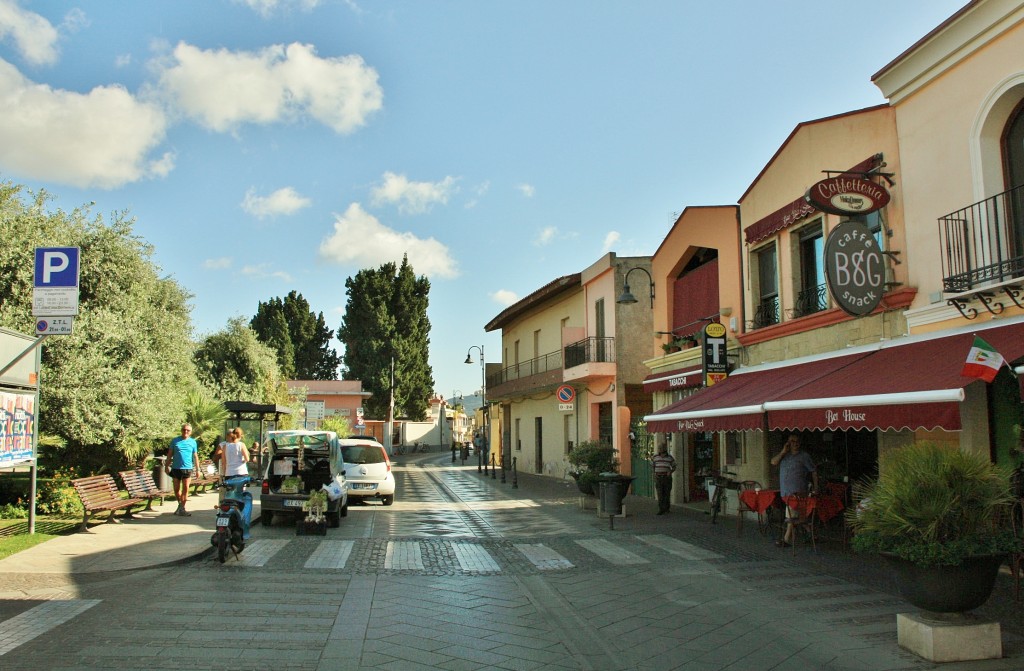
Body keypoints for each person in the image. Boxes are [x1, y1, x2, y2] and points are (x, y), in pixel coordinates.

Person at [770, 433, 819, 548]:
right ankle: (811, 534)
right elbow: (773, 462)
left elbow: (813, 471)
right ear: (788, 443)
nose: (795, 443)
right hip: (785, 492)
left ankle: (786, 540)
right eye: (792, 441)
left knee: (791, 516)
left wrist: (816, 487)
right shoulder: (784, 455)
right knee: (799, 517)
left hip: (798, 493)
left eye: (797, 441)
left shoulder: (804, 456)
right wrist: (783, 451)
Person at [165, 423, 199, 516]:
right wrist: (166, 466)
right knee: (176, 489)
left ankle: (182, 508)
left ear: (190, 432)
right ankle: (180, 506)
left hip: (187, 468)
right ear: (181, 430)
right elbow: (169, 454)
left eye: (188, 430)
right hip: (176, 468)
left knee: (186, 489)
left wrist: (198, 469)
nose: (186, 431)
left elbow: (195, 456)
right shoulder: (175, 441)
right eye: (184, 430)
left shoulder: (193, 442)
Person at [651, 443, 676, 515]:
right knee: (660, 493)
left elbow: (674, 466)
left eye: (661, 448)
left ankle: (667, 508)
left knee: (667, 493)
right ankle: (661, 509)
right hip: (658, 477)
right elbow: (653, 465)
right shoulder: (655, 457)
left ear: (664, 449)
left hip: (666, 477)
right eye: (659, 448)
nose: (659, 449)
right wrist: (654, 473)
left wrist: (670, 472)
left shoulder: (670, 457)